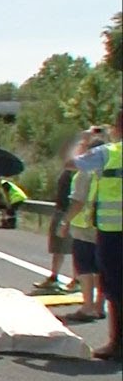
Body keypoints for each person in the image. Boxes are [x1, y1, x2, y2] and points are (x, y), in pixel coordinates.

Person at [72, 110, 123, 361]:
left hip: (114, 232)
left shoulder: (109, 152)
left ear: (117, 127)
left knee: (115, 288)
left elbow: (71, 162)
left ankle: (117, 344)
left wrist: (82, 140)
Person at [59, 129, 109, 322]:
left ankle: (88, 307)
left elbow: (78, 202)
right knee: (101, 268)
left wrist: (65, 221)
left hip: (84, 227)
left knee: (85, 268)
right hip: (104, 224)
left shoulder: (84, 173)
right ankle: (99, 306)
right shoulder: (107, 171)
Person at [33, 144, 78, 293]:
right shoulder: (68, 170)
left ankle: (77, 280)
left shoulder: (80, 170)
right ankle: (54, 277)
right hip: (61, 210)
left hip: (68, 212)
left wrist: (68, 217)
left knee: (75, 247)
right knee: (58, 247)